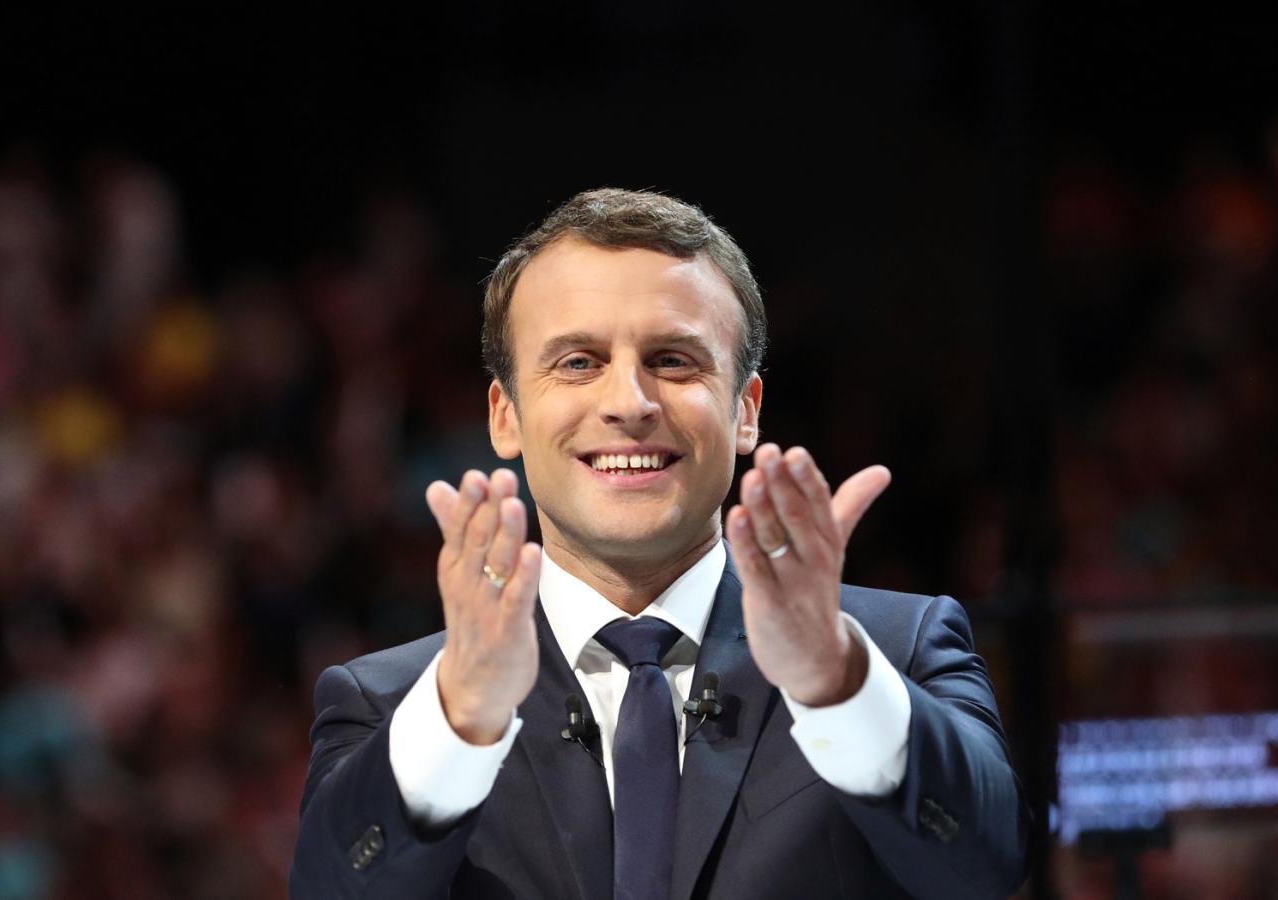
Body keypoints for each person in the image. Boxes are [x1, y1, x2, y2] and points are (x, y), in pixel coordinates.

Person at [289, 188, 1030, 899]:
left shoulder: (894, 653)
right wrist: (459, 717)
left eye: (673, 360)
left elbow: (986, 865)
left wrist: (834, 682)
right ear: (504, 414)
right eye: (578, 362)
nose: (630, 403)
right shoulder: (391, 705)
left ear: (745, 411)